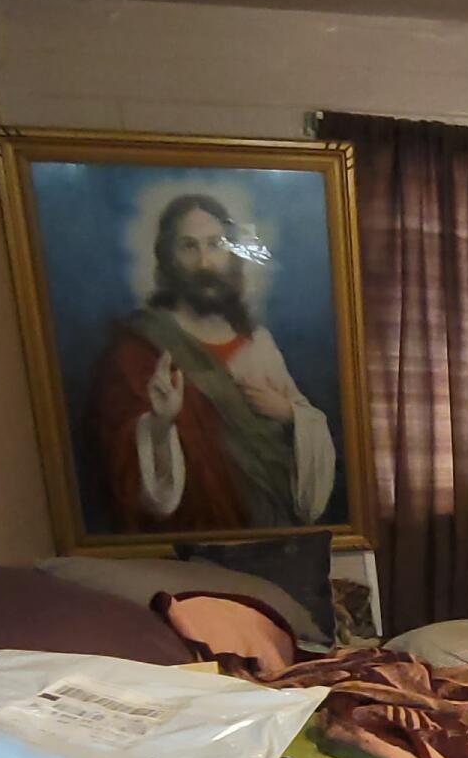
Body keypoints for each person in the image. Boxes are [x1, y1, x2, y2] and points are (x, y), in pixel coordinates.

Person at [86, 192, 335, 532]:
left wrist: (289, 414)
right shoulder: (141, 347)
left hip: (275, 534)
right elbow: (120, 462)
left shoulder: (257, 342)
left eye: (215, 245)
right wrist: (161, 424)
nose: (205, 262)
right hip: (189, 546)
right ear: (168, 259)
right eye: (189, 247)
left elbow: (308, 425)